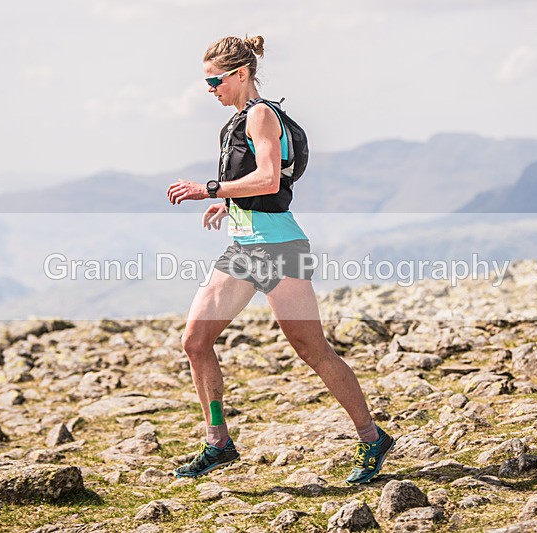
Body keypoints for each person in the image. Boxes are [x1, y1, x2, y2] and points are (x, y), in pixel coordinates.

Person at [166, 34, 394, 485]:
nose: (209, 89)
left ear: (241, 74)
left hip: (279, 250)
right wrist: (228, 204)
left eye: (214, 80)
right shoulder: (236, 122)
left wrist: (208, 190)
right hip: (244, 249)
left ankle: (372, 437)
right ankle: (218, 443)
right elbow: (254, 183)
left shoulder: (262, 115)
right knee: (195, 341)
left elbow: (270, 179)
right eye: (206, 81)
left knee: (312, 349)